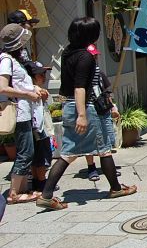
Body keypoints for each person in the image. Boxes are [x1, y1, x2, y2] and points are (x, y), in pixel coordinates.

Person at [36, 17, 137, 210]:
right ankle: (115, 188)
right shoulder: (85, 57)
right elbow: (80, 87)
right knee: (102, 149)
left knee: (70, 151)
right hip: (84, 107)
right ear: (92, 35)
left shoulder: (68, 52)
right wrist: (82, 115)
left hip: (70, 105)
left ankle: (47, 194)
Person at [0, 24, 47, 204]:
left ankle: (19, 189)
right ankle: (14, 193)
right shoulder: (6, 60)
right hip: (19, 112)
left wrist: (34, 88)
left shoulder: (14, 59)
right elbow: (3, 87)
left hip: (26, 111)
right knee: (25, 151)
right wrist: (27, 94)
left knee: (29, 150)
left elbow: (20, 83)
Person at [83, 44, 120, 181]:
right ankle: (91, 168)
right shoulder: (81, 73)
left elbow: (106, 91)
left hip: (102, 107)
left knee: (108, 138)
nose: (94, 58)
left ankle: (109, 167)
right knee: (90, 139)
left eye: (95, 56)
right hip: (89, 107)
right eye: (92, 56)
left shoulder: (98, 71)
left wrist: (113, 107)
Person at [28, 61, 53, 195]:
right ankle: (42, 183)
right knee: (41, 155)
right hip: (38, 126)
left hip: (38, 125)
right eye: (41, 74)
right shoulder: (33, 89)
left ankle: (37, 182)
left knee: (37, 155)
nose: (44, 77)